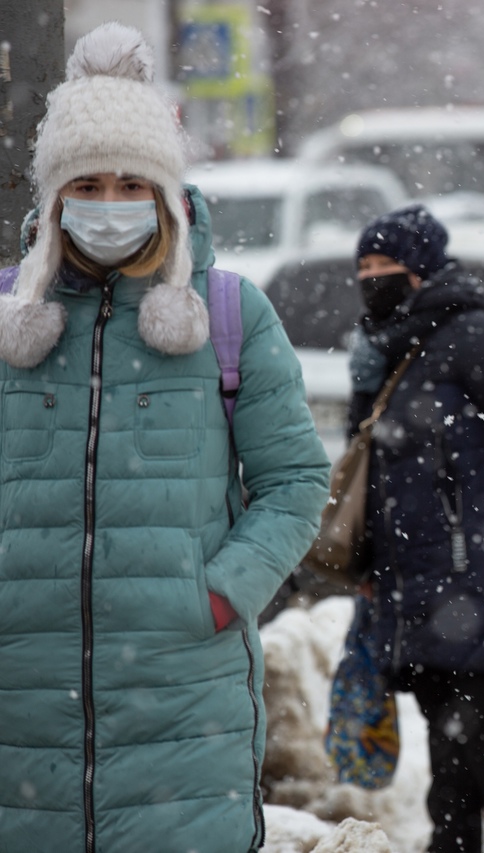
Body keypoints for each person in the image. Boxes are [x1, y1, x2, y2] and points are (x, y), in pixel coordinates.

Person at [0, 24, 330, 852]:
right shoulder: (9, 322)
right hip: (19, 715)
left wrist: (216, 595)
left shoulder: (230, 316)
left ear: (165, 196)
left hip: (187, 713)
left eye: (129, 183)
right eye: (87, 182)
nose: (108, 204)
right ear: (52, 198)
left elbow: (294, 480)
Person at [347, 204, 484, 853]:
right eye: (364, 267)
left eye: (386, 266)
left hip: (474, 561)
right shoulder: (385, 346)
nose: (372, 277)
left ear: (423, 270)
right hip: (412, 567)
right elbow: (373, 463)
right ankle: (457, 837)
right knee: (445, 712)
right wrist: (369, 563)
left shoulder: (473, 334)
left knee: (479, 717)